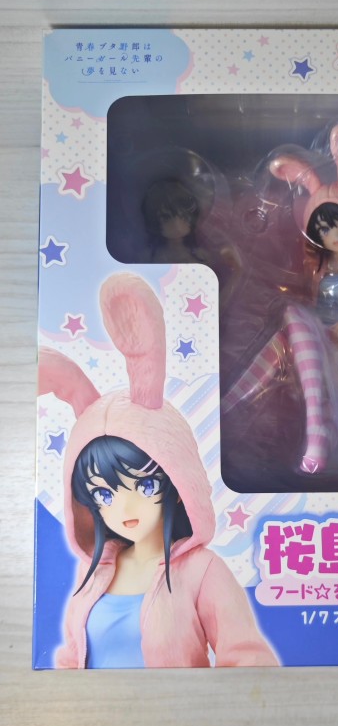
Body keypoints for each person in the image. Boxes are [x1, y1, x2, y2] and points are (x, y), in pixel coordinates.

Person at [38, 273, 278, 668]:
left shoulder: (202, 572)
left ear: (178, 482)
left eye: (145, 485)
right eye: (104, 494)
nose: (124, 507)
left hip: (175, 709)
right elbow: (71, 657)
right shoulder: (92, 572)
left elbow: (247, 660)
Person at [223, 122, 338, 474]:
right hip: (318, 352)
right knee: (286, 332)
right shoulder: (318, 270)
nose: (332, 234)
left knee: (292, 316)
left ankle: (258, 404)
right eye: (322, 228)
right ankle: (249, 404)